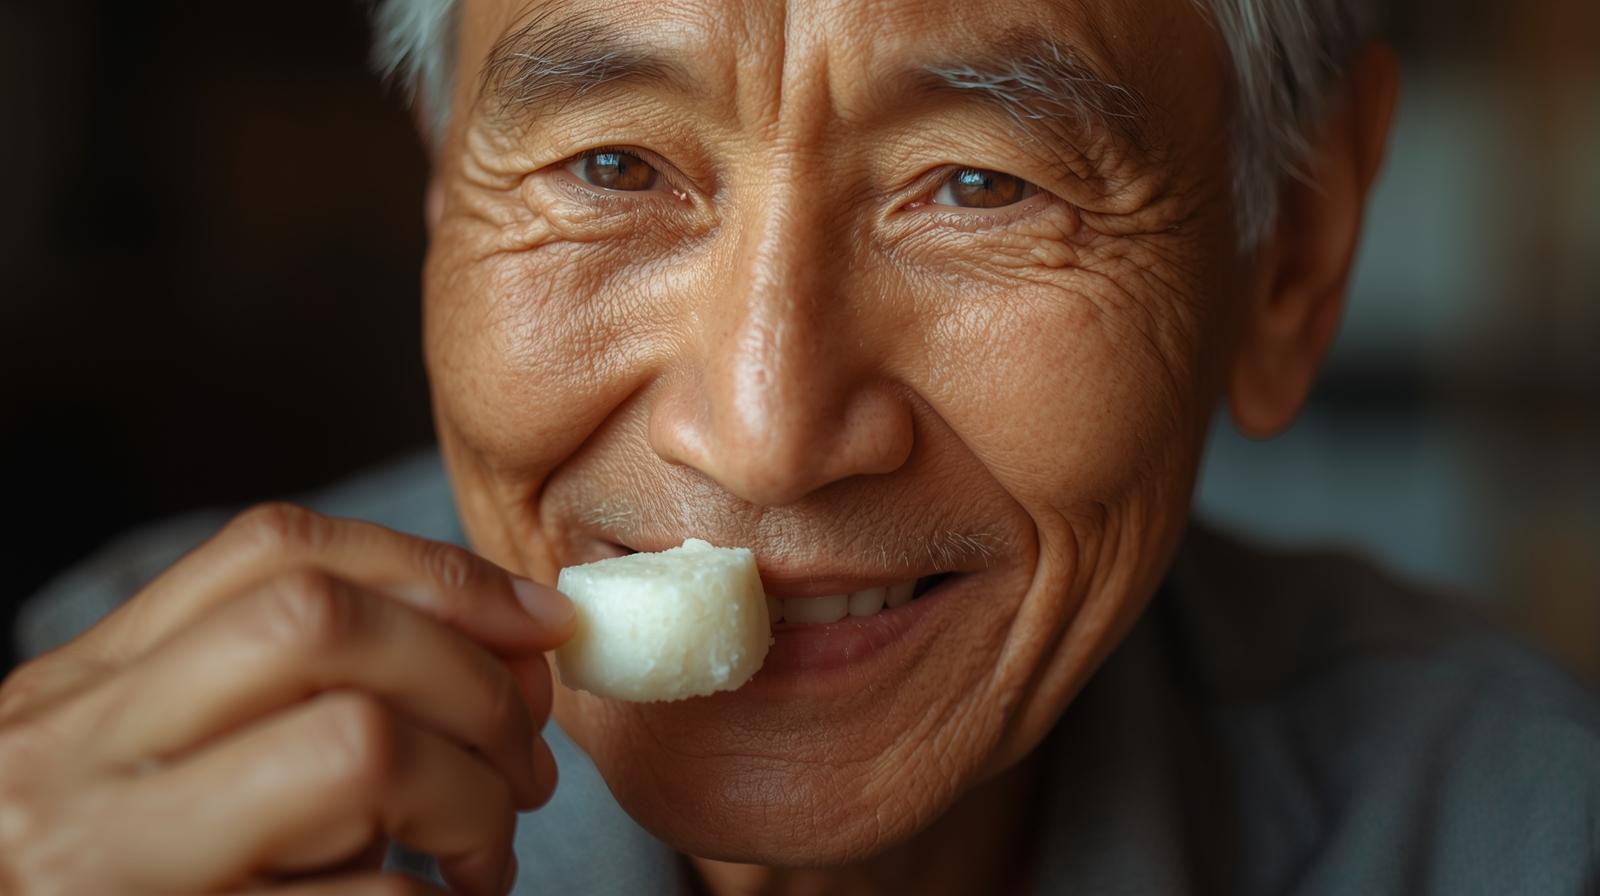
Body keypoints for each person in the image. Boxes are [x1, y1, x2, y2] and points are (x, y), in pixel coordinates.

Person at [4, 0, 1597, 892]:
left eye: (980, 186)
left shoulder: (1513, 836)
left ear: (1294, 252)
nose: (762, 439)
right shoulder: (111, 790)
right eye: (612, 165)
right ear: (439, 187)